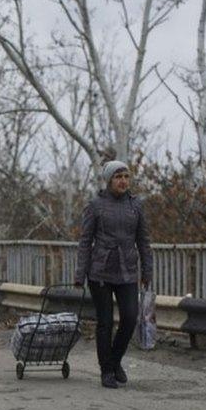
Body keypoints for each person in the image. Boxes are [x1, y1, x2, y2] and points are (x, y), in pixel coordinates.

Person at [74, 160, 153, 389]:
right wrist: (80, 274)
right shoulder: (96, 205)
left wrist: (147, 270)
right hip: (100, 271)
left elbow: (144, 241)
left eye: (126, 176)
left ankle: (115, 360)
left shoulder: (136, 206)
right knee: (105, 323)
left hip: (127, 270)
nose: (123, 181)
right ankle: (106, 371)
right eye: (118, 177)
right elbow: (85, 241)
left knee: (130, 318)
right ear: (109, 180)